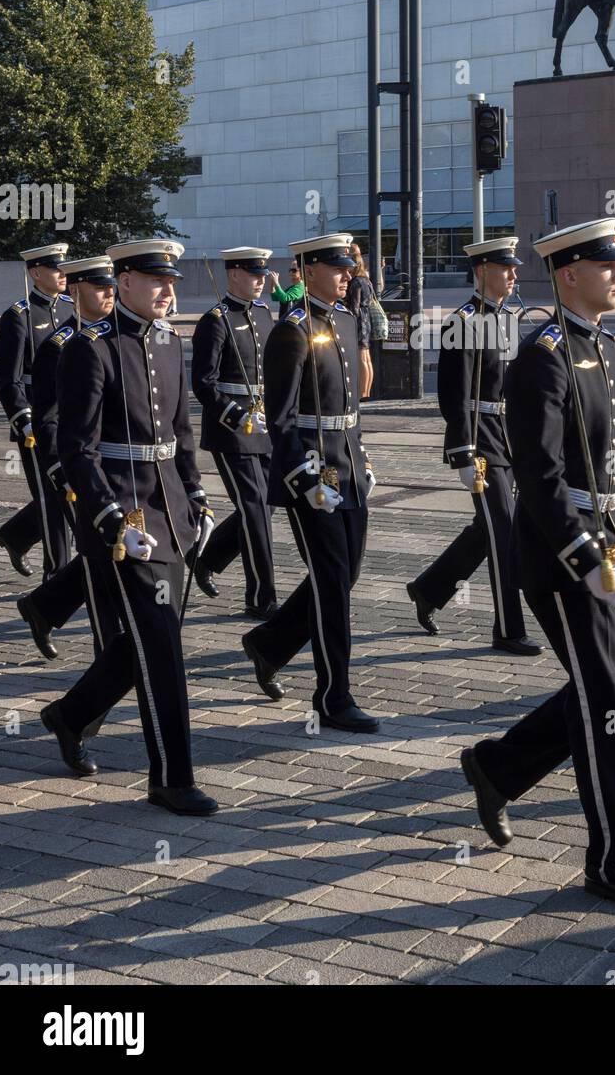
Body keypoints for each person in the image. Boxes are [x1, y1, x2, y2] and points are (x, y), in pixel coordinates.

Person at [459, 218, 615, 915]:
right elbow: (541, 472)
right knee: (607, 703)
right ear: (569, 275)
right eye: (605, 265)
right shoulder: (543, 355)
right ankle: (612, 861)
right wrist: (582, 554)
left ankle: (498, 766)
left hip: (608, 536)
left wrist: (608, 540)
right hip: (560, 553)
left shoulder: (603, 345)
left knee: (608, 686)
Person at [40, 239, 218, 815]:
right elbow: (77, 448)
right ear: (123, 280)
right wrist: (111, 517)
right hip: (123, 520)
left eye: (171, 281)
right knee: (163, 647)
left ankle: (69, 715)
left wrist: (196, 498)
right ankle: (171, 777)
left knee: (146, 638)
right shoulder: (91, 349)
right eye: (155, 280)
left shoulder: (169, 342)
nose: (169, 291)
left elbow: (180, 433)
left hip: (170, 516)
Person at [241, 233, 379, 733]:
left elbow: (350, 408)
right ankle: (333, 696)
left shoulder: (343, 319)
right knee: (333, 587)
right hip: (315, 475)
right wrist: (305, 478)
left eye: (348, 267)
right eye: (338, 267)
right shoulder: (292, 329)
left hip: (348, 468)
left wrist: (361, 461)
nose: (348, 274)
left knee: (344, 576)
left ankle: (270, 643)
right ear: (310, 269)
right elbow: (280, 421)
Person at [406, 238, 541, 655]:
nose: (514, 274)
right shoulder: (462, 322)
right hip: (481, 440)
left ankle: (429, 589)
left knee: (488, 530)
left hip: (506, 436)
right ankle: (508, 629)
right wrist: (464, 452)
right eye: (506, 268)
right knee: (503, 532)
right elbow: (454, 396)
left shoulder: (503, 318)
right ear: (482, 270)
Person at [18, 256, 119, 665]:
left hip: (114, 467)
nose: (109, 293)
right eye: (99, 287)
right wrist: (63, 472)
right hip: (78, 470)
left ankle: (44, 606)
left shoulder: (115, 337)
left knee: (107, 552)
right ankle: (107, 648)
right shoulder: (59, 346)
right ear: (75, 292)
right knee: (100, 551)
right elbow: (49, 419)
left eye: (112, 285)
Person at [191, 247, 278, 620]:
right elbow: (203, 382)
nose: (261, 281)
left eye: (263, 274)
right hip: (232, 429)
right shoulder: (215, 320)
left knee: (270, 500)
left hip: (265, 424)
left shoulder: (262, 313)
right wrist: (235, 415)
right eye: (254, 274)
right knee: (255, 508)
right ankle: (261, 597)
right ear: (233, 275)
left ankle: (208, 558)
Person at [0, 243, 75, 579]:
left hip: (69, 415)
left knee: (66, 491)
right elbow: (8, 379)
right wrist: (24, 420)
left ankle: (15, 534)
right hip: (36, 422)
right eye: (55, 269)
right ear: (35, 273)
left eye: (63, 269)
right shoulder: (20, 315)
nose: (62, 275)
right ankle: (56, 576)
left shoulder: (73, 308)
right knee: (54, 498)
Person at [345, 243, 375, 400]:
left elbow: (355, 308)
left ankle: (363, 392)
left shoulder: (356, 281)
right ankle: (367, 390)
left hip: (360, 321)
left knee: (362, 357)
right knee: (367, 357)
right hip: (366, 319)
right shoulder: (366, 279)